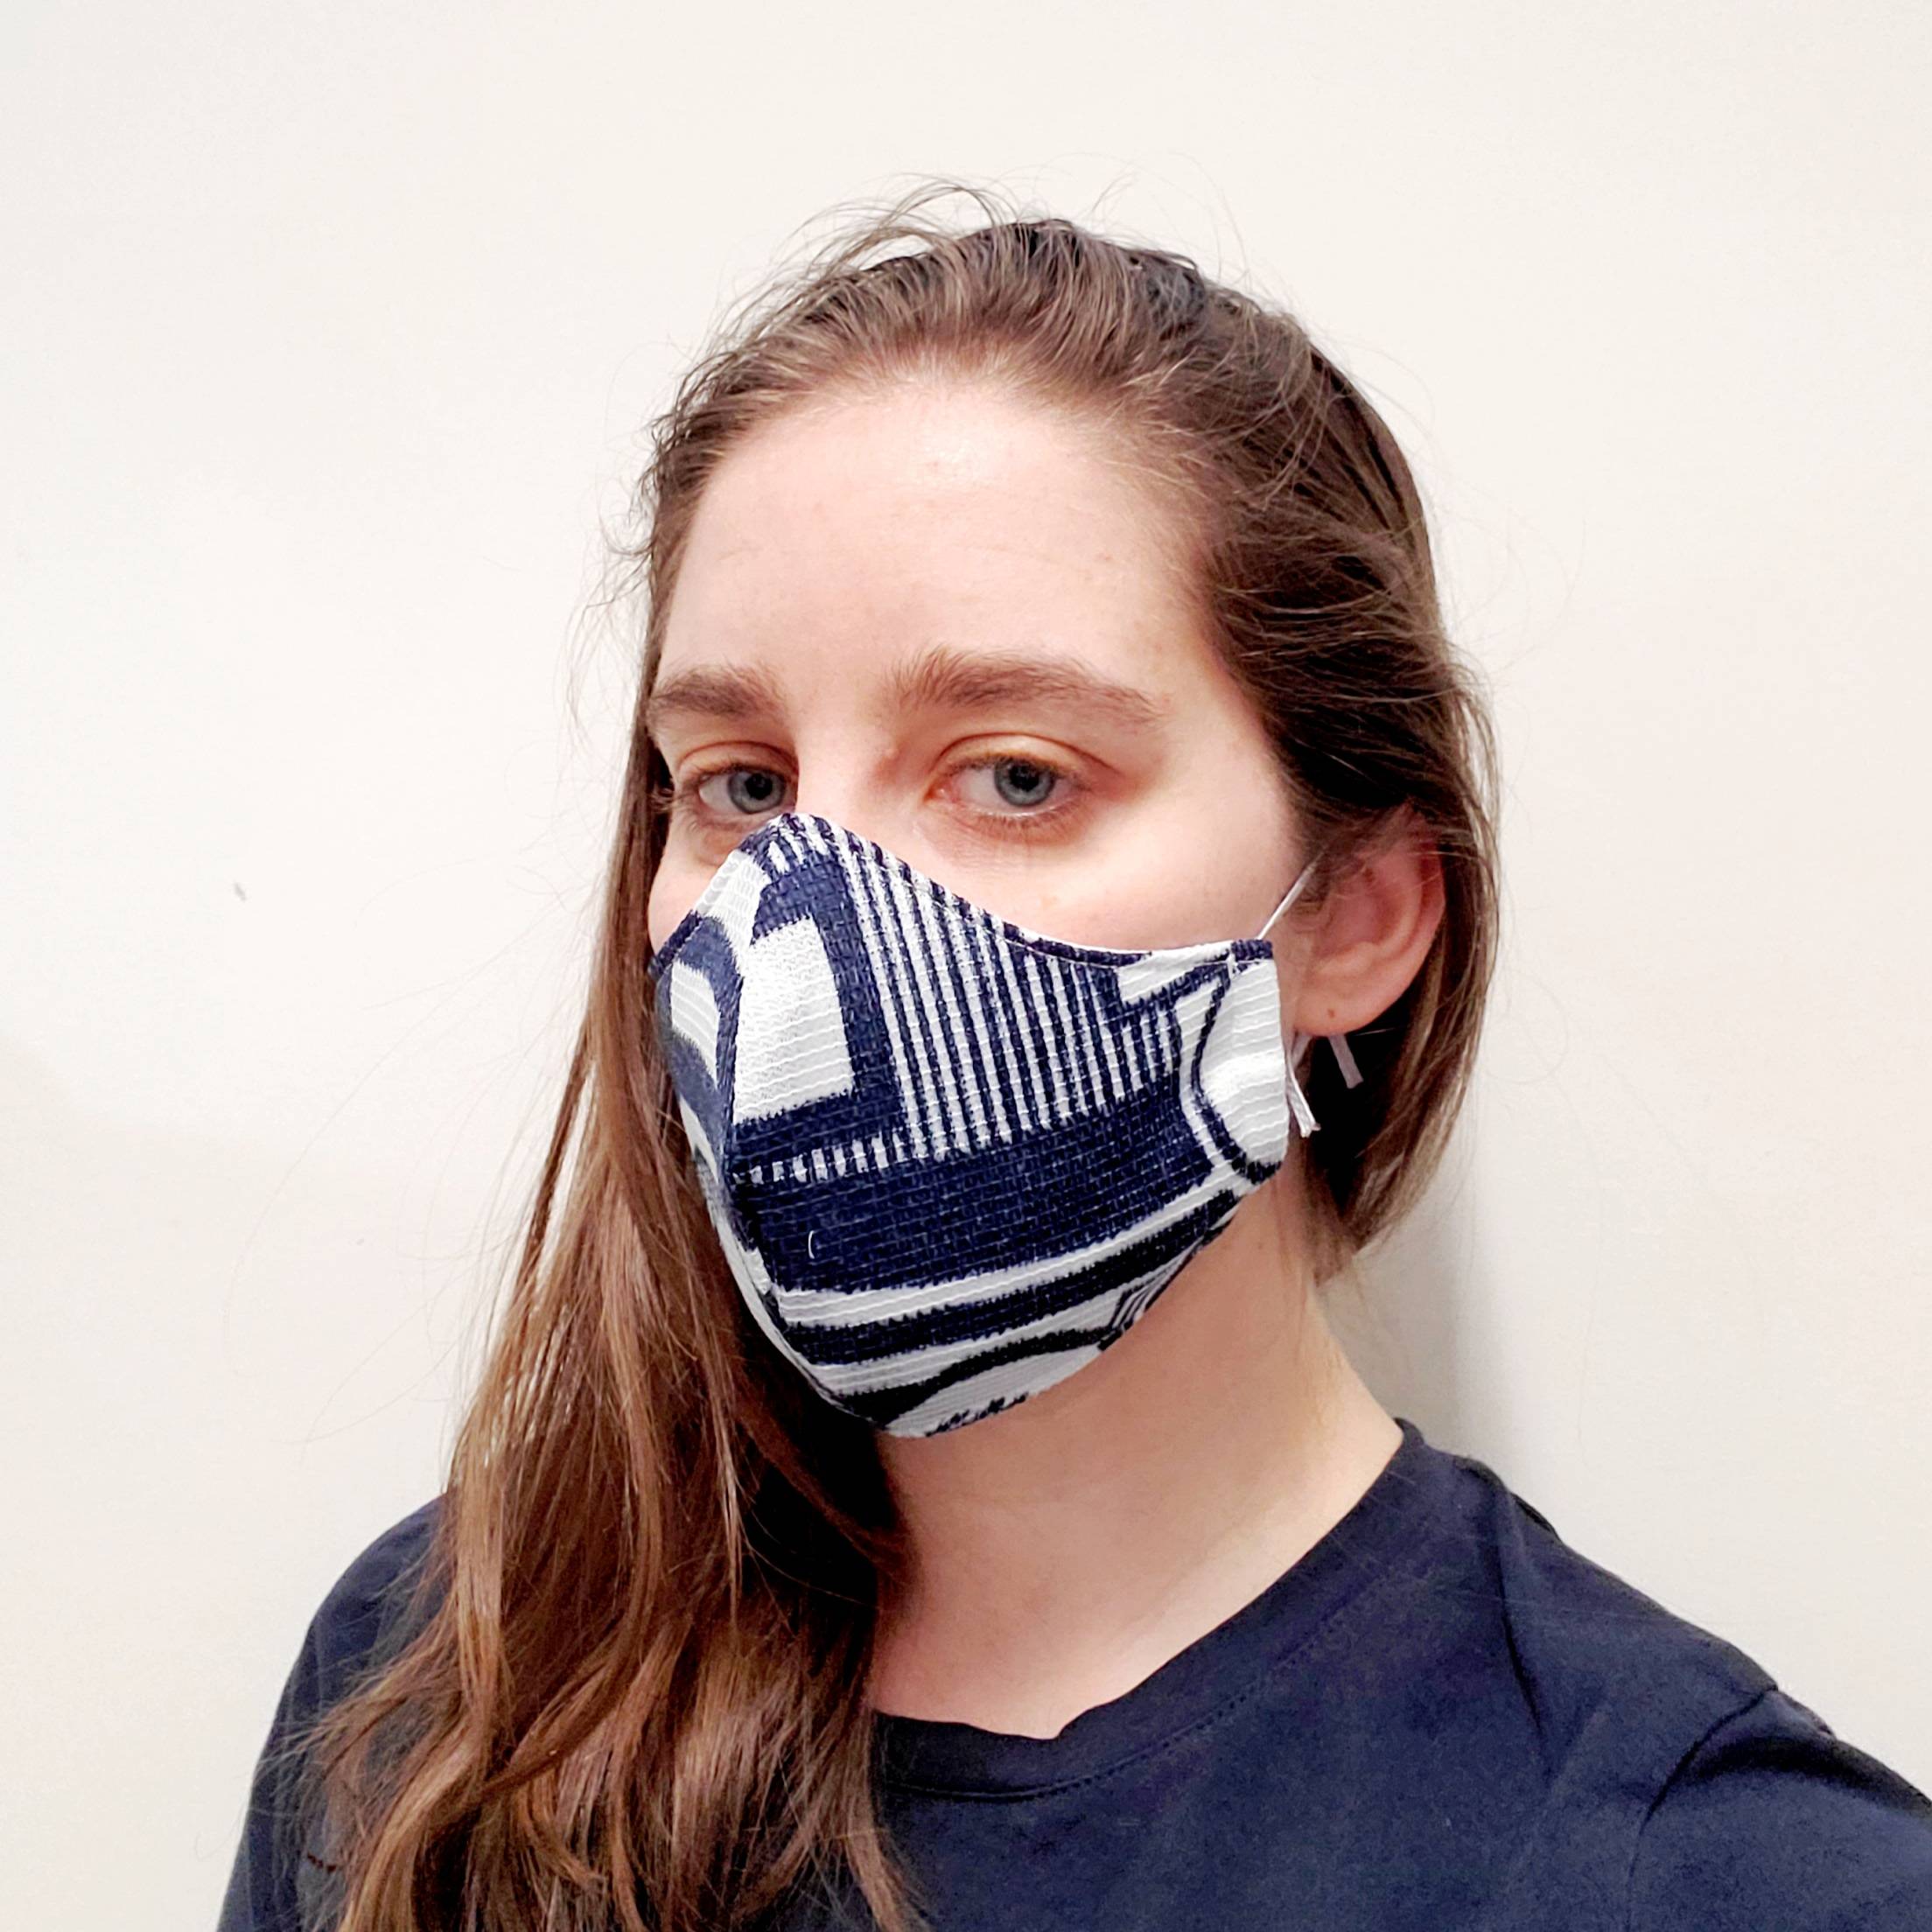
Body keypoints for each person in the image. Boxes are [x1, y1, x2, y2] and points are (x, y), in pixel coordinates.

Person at [216, 181, 1932, 1932]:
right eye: (741, 784)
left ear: (1355, 916)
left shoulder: (1733, 1882)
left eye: (1017, 775)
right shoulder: (451, 1693)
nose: (803, 935)